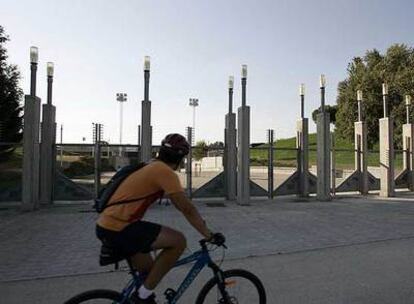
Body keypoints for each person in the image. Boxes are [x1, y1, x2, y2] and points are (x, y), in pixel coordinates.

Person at [96, 133, 222, 303]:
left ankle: (142, 295)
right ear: (181, 158)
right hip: (120, 228)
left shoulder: (149, 165)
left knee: (150, 273)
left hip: (107, 225)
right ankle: (142, 296)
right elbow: (187, 209)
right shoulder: (164, 172)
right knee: (178, 241)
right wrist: (209, 235)